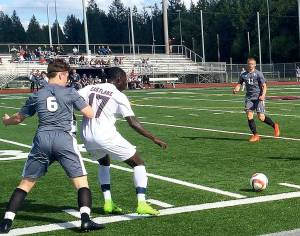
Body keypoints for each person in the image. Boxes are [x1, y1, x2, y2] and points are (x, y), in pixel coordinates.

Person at [0, 59, 104, 233]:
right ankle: (85, 219)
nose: (68, 79)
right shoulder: (70, 92)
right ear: (62, 75)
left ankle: (6, 222)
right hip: (64, 139)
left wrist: (6, 121)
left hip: (42, 139)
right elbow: (89, 113)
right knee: (81, 182)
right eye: (67, 76)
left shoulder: (37, 95)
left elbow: (18, 118)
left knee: (25, 183)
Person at [78, 67, 167, 216]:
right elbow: (133, 123)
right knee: (138, 163)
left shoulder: (90, 87)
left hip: (87, 136)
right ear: (119, 79)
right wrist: (153, 138)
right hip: (105, 136)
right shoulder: (118, 95)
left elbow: (72, 99)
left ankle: (108, 202)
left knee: (104, 162)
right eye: (126, 80)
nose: (127, 83)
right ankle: (142, 203)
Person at [233, 57, 280, 142]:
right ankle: (255, 135)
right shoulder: (243, 74)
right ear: (247, 64)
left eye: (252, 64)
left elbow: (264, 86)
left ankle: (274, 125)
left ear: (255, 65)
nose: (250, 65)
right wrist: (236, 88)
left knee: (261, 117)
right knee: (249, 115)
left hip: (258, 98)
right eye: (249, 64)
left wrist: (263, 95)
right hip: (249, 98)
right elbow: (239, 83)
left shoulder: (259, 74)